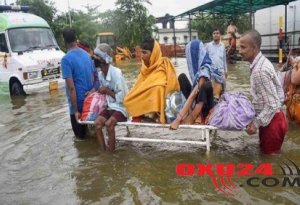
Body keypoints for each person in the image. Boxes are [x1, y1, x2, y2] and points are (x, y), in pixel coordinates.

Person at [239, 29, 287, 154]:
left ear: (254, 48)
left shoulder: (259, 71)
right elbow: (279, 94)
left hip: (272, 124)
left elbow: (271, 104)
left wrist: (255, 123)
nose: (240, 51)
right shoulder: (264, 62)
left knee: (270, 162)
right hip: (276, 119)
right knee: (272, 157)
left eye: (243, 47)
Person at [170, 39, 224, 129]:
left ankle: (196, 114)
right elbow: (194, 92)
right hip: (199, 97)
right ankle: (192, 110)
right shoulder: (199, 70)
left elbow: (193, 95)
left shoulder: (205, 70)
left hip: (210, 103)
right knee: (182, 77)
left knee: (205, 85)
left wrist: (178, 119)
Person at [124, 38, 180, 124]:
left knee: (158, 87)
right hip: (147, 108)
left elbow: (171, 87)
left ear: (154, 54)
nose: (142, 56)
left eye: (145, 53)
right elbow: (138, 87)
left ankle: (157, 114)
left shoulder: (163, 66)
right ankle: (144, 112)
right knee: (128, 100)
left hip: (163, 107)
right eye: (141, 52)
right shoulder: (144, 68)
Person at [61, 28, 99, 139]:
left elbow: (71, 88)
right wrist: (91, 92)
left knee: (80, 140)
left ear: (64, 42)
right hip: (90, 102)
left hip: (78, 104)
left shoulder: (66, 60)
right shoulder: (87, 55)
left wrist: (76, 110)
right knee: (92, 137)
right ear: (76, 39)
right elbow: (95, 79)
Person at [93, 43, 128, 152]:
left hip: (121, 108)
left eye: (97, 58)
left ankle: (111, 153)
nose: (95, 60)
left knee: (109, 125)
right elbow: (100, 90)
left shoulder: (117, 74)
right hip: (110, 106)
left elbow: (122, 98)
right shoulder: (100, 74)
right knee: (97, 124)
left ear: (104, 60)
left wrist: (107, 91)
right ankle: (104, 152)